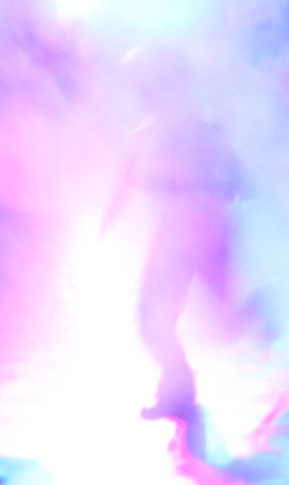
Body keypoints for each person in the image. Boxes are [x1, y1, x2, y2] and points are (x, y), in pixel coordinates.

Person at [103, 46, 245, 422]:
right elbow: (131, 170)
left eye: (144, 85)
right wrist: (115, 207)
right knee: (151, 319)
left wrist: (208, 191)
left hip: (205, 234)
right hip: (173, 237)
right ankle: (178, 388)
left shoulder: (204, 130)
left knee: (223, 323)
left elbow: (237, 178)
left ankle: (257, 312)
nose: (139, 94)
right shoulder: (150, 132)